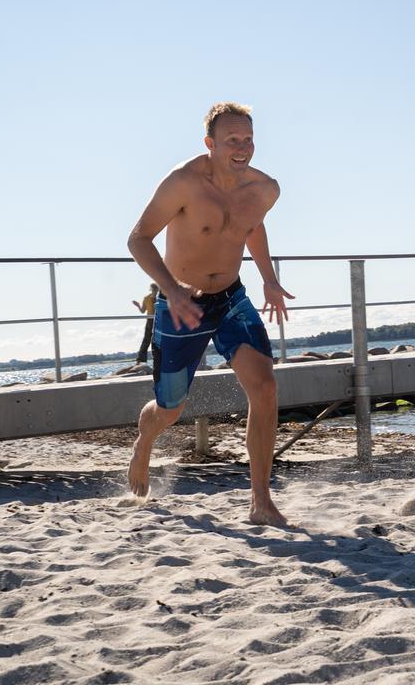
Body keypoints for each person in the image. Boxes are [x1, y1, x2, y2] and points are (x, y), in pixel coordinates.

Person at [126, 101, 294, 527]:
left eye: (248, 139)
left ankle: (260, 501)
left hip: (231, 299)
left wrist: (269, 279)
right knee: (170, 409)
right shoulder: (183, 182)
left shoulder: (265, 188)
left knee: (265, 388)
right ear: (210, 143)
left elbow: (251, 225)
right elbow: (138, 239)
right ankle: (144, 443)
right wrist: (170, 288)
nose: (243, 147)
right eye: (232, 140)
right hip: (181, 303)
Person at [132, 283, 159, 364]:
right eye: (153, 289)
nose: (154, 291)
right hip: (150, 320)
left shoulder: (160, 297)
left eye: (156, 289)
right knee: (147, 339)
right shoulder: (146, 298)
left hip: (159, 319)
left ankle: (158, 358)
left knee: (157, 340)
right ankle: (140, 359)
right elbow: (143, 311)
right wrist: (138, 306)